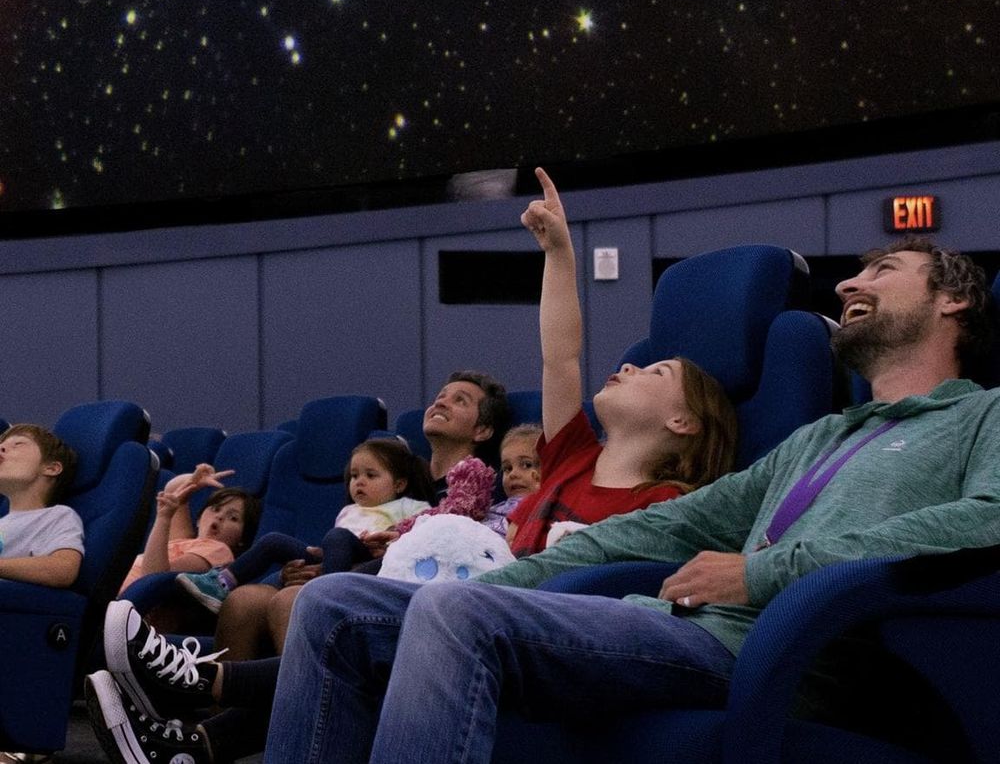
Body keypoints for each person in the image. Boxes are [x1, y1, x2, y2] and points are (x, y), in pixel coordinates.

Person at [88, 237, 998, 762]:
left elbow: (987, 518)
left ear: (954, 300)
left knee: (450, 617)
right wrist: (517, 577)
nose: (849, 282)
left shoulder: (983, 416)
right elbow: (661, 526)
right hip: (675, 628)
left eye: (881, 269)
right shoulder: (817, 436)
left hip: (785, 651)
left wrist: (766, 568)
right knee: (333, 601)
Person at [205, 369, 508, 663]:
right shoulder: (396, 478)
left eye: (460, 400)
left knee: (292, 601)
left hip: (404, 592)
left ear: (482, 430)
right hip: (344, 570)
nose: (441, 402)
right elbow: (349, 535)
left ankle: (307, 712)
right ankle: (231, 711)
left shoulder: (483, 486)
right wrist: (297, 570)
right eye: (441, 396)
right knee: (243, 601)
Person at [507, 168, 737, 554]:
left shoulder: (663, 506)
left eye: (656, 371)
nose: (629, 366)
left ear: (682, 421)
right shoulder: (574, 455)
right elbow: (560, 357)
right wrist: (559, 253)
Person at [178, 439, 436, 613]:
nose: (359, 482)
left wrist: (393, 539)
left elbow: (423, 533)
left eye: (371, 475)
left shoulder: (408, 506)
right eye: (355, 476)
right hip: (333, 560)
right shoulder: (350, 510)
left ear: (400, 484)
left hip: (370, 559)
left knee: (338, 536)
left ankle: (328, 597)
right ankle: (220, 584)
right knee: (274, 541)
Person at [119, 463, 261, 595]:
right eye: (215, 509)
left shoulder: (219, 550)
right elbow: (173, 490)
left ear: (243, 538)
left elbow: (152, 579)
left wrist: (163, 518)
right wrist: (193, 481)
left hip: (127, 607)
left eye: (233, 518)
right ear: (198, 520)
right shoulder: (185, 540)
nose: (219, 517)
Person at [0, 423, 82, 588]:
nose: (1, 448)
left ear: (51, 468)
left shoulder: (57, 516)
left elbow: (64, 570)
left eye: (18, 444)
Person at [483, 423, 542, 538]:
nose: (513, 474)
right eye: (507, 468)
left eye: (526, 465)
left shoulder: (545, 507)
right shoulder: (492, 508)